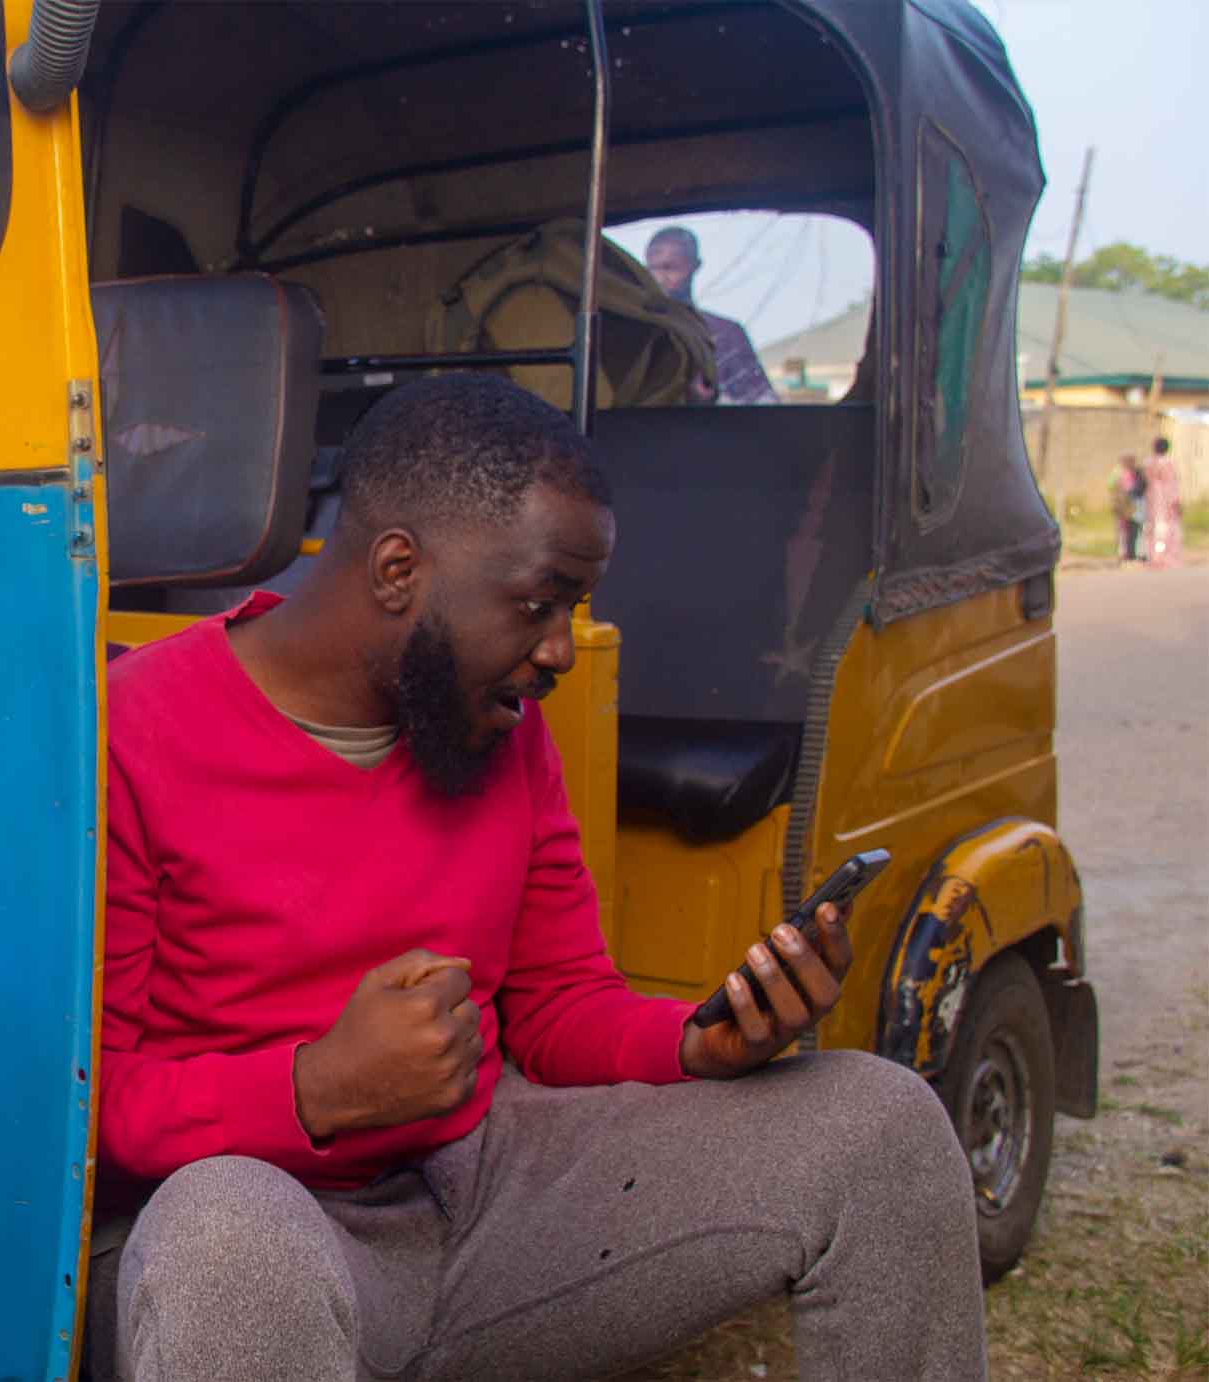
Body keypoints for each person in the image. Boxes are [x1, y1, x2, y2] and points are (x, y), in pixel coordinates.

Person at [87, 372, 984, 1382]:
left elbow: (559, 1004)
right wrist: (315, 1086)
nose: (558, 648)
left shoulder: (498, 724)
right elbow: (89, 1103)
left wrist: (697, 1038)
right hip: (250, 1228)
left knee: (880, 1121)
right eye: (535, 602)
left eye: (572, 605)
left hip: (482, 1191)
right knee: (226, 1241)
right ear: (397, 569)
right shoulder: (129, 732)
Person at [643, 226, 780, 405]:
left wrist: (712, 399)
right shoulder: (641, 329)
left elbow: (761, 402)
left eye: (670, 268)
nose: (659, 278)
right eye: (652, 269)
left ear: (695, 266)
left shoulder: (725, 333)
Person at [1145, 436, 1185, 569]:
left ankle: (1154, 556)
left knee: (1153, 528)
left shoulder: (1148, 463)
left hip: (1151, 498)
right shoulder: (1168, 463)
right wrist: (1176, 500)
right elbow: (1172, 484)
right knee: (1165, 529)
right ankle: (1163, 558)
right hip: (1165, 500)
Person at [1110, 453, 1148, 563]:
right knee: (1126, 531)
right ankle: (1127, 553)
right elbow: (1113, 486)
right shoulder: (1119, 473)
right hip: (1125, 506)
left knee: (1137, 529)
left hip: (1135, 506)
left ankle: (1136, 553)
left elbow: (1140, 487)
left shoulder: (1137, 473)